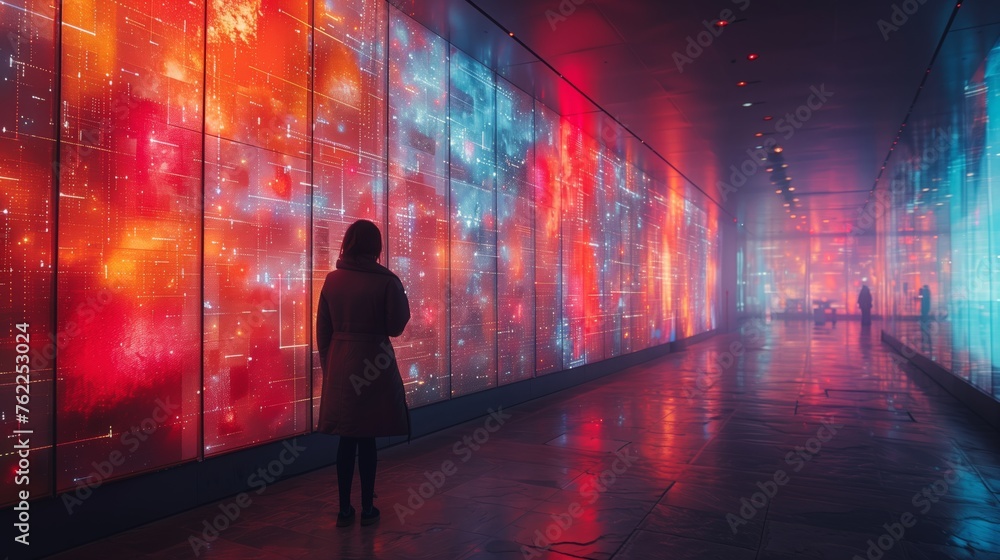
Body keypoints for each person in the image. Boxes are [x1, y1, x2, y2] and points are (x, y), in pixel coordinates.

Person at [316, 219, 411, 527]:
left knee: (346, 438)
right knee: (367, 438)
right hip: (373, 365)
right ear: (376, 247)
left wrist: (330, 363)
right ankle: (368, 508)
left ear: (348, 243)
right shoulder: (386, 281)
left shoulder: (332, 280)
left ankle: (344, 508)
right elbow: (396, 326)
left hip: (341, 364)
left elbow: (323, 331)